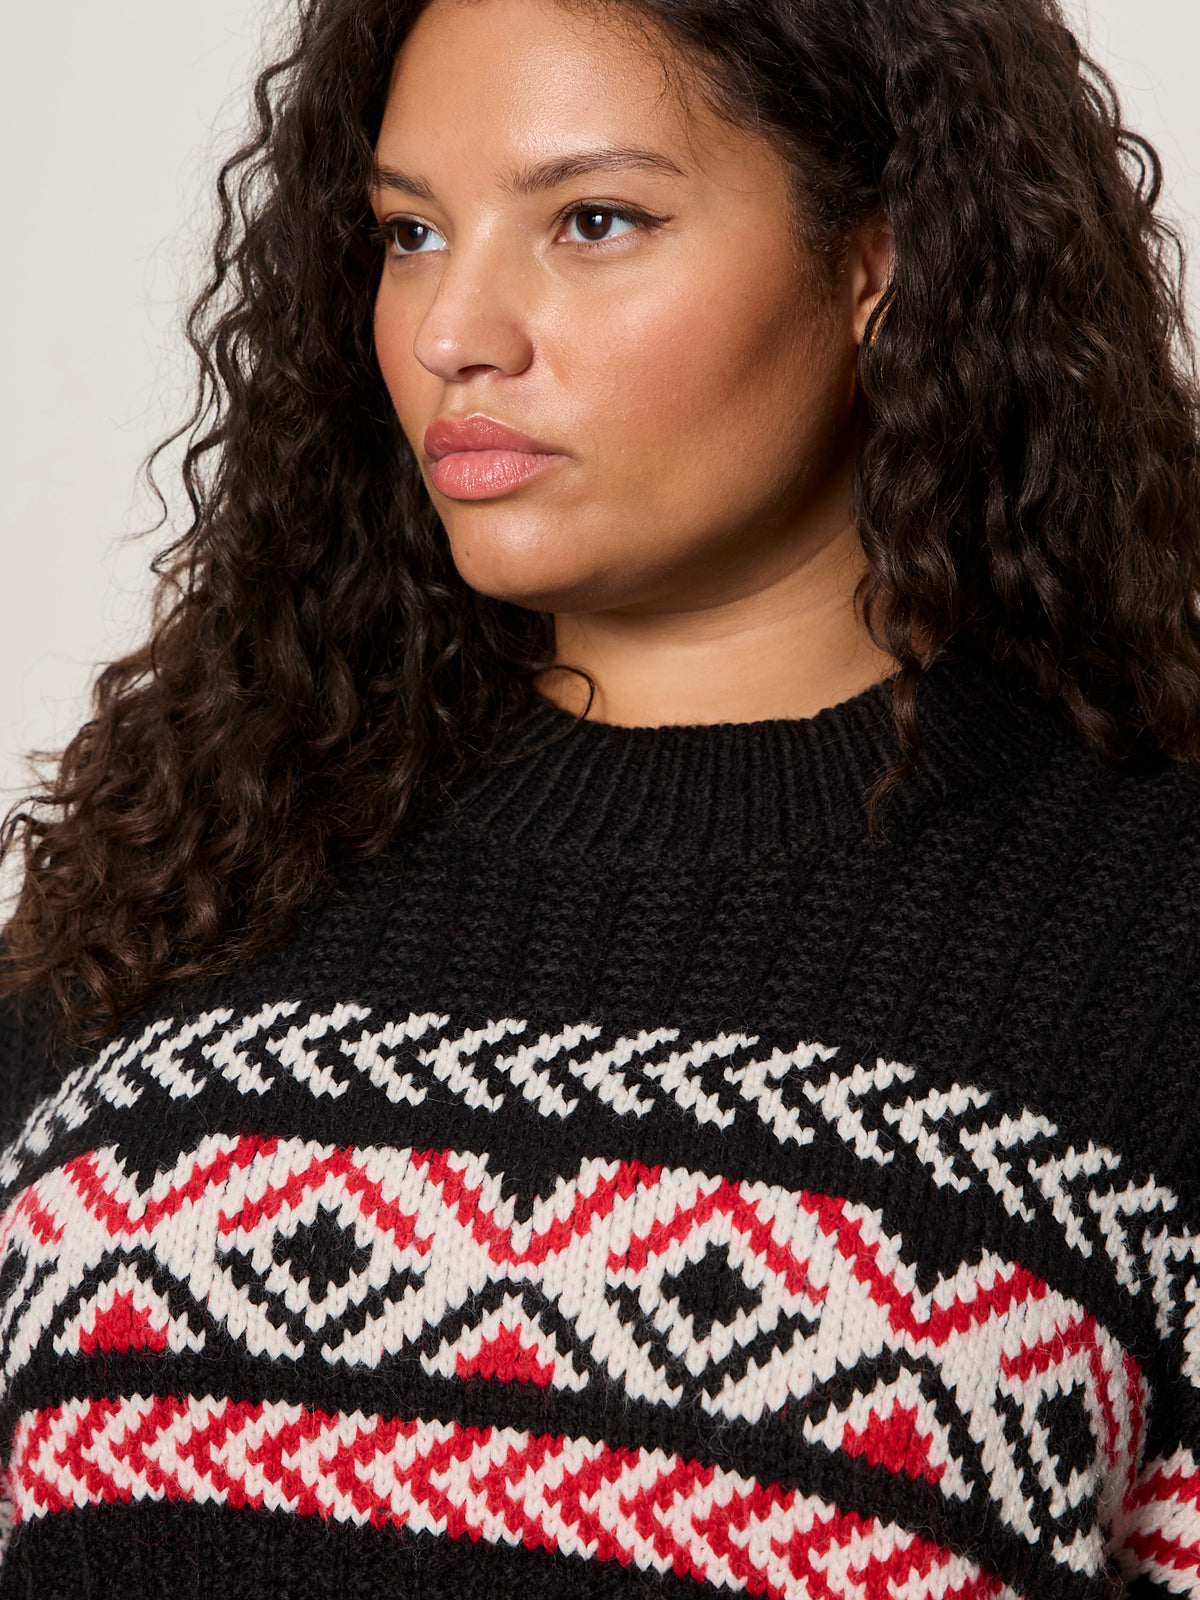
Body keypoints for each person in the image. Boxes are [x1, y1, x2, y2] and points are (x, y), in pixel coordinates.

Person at [1, 0, 1198, 1593]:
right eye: (411, 231)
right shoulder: (178, 888)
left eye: (594, 220)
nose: (453, 330)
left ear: (878, 263)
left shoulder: (1152, 946)